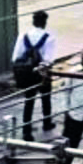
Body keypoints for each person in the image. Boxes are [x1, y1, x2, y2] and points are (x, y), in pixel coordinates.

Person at [11, 10, 55, 142]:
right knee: (46, 98)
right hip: (42, 73)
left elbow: (15, 57)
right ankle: (47, 123)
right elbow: (49, 59)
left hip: (28, 73)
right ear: (45, 22)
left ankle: (26, 131)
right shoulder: (49, 37)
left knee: (29, 101)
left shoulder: (23, 36)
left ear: (33, 22)